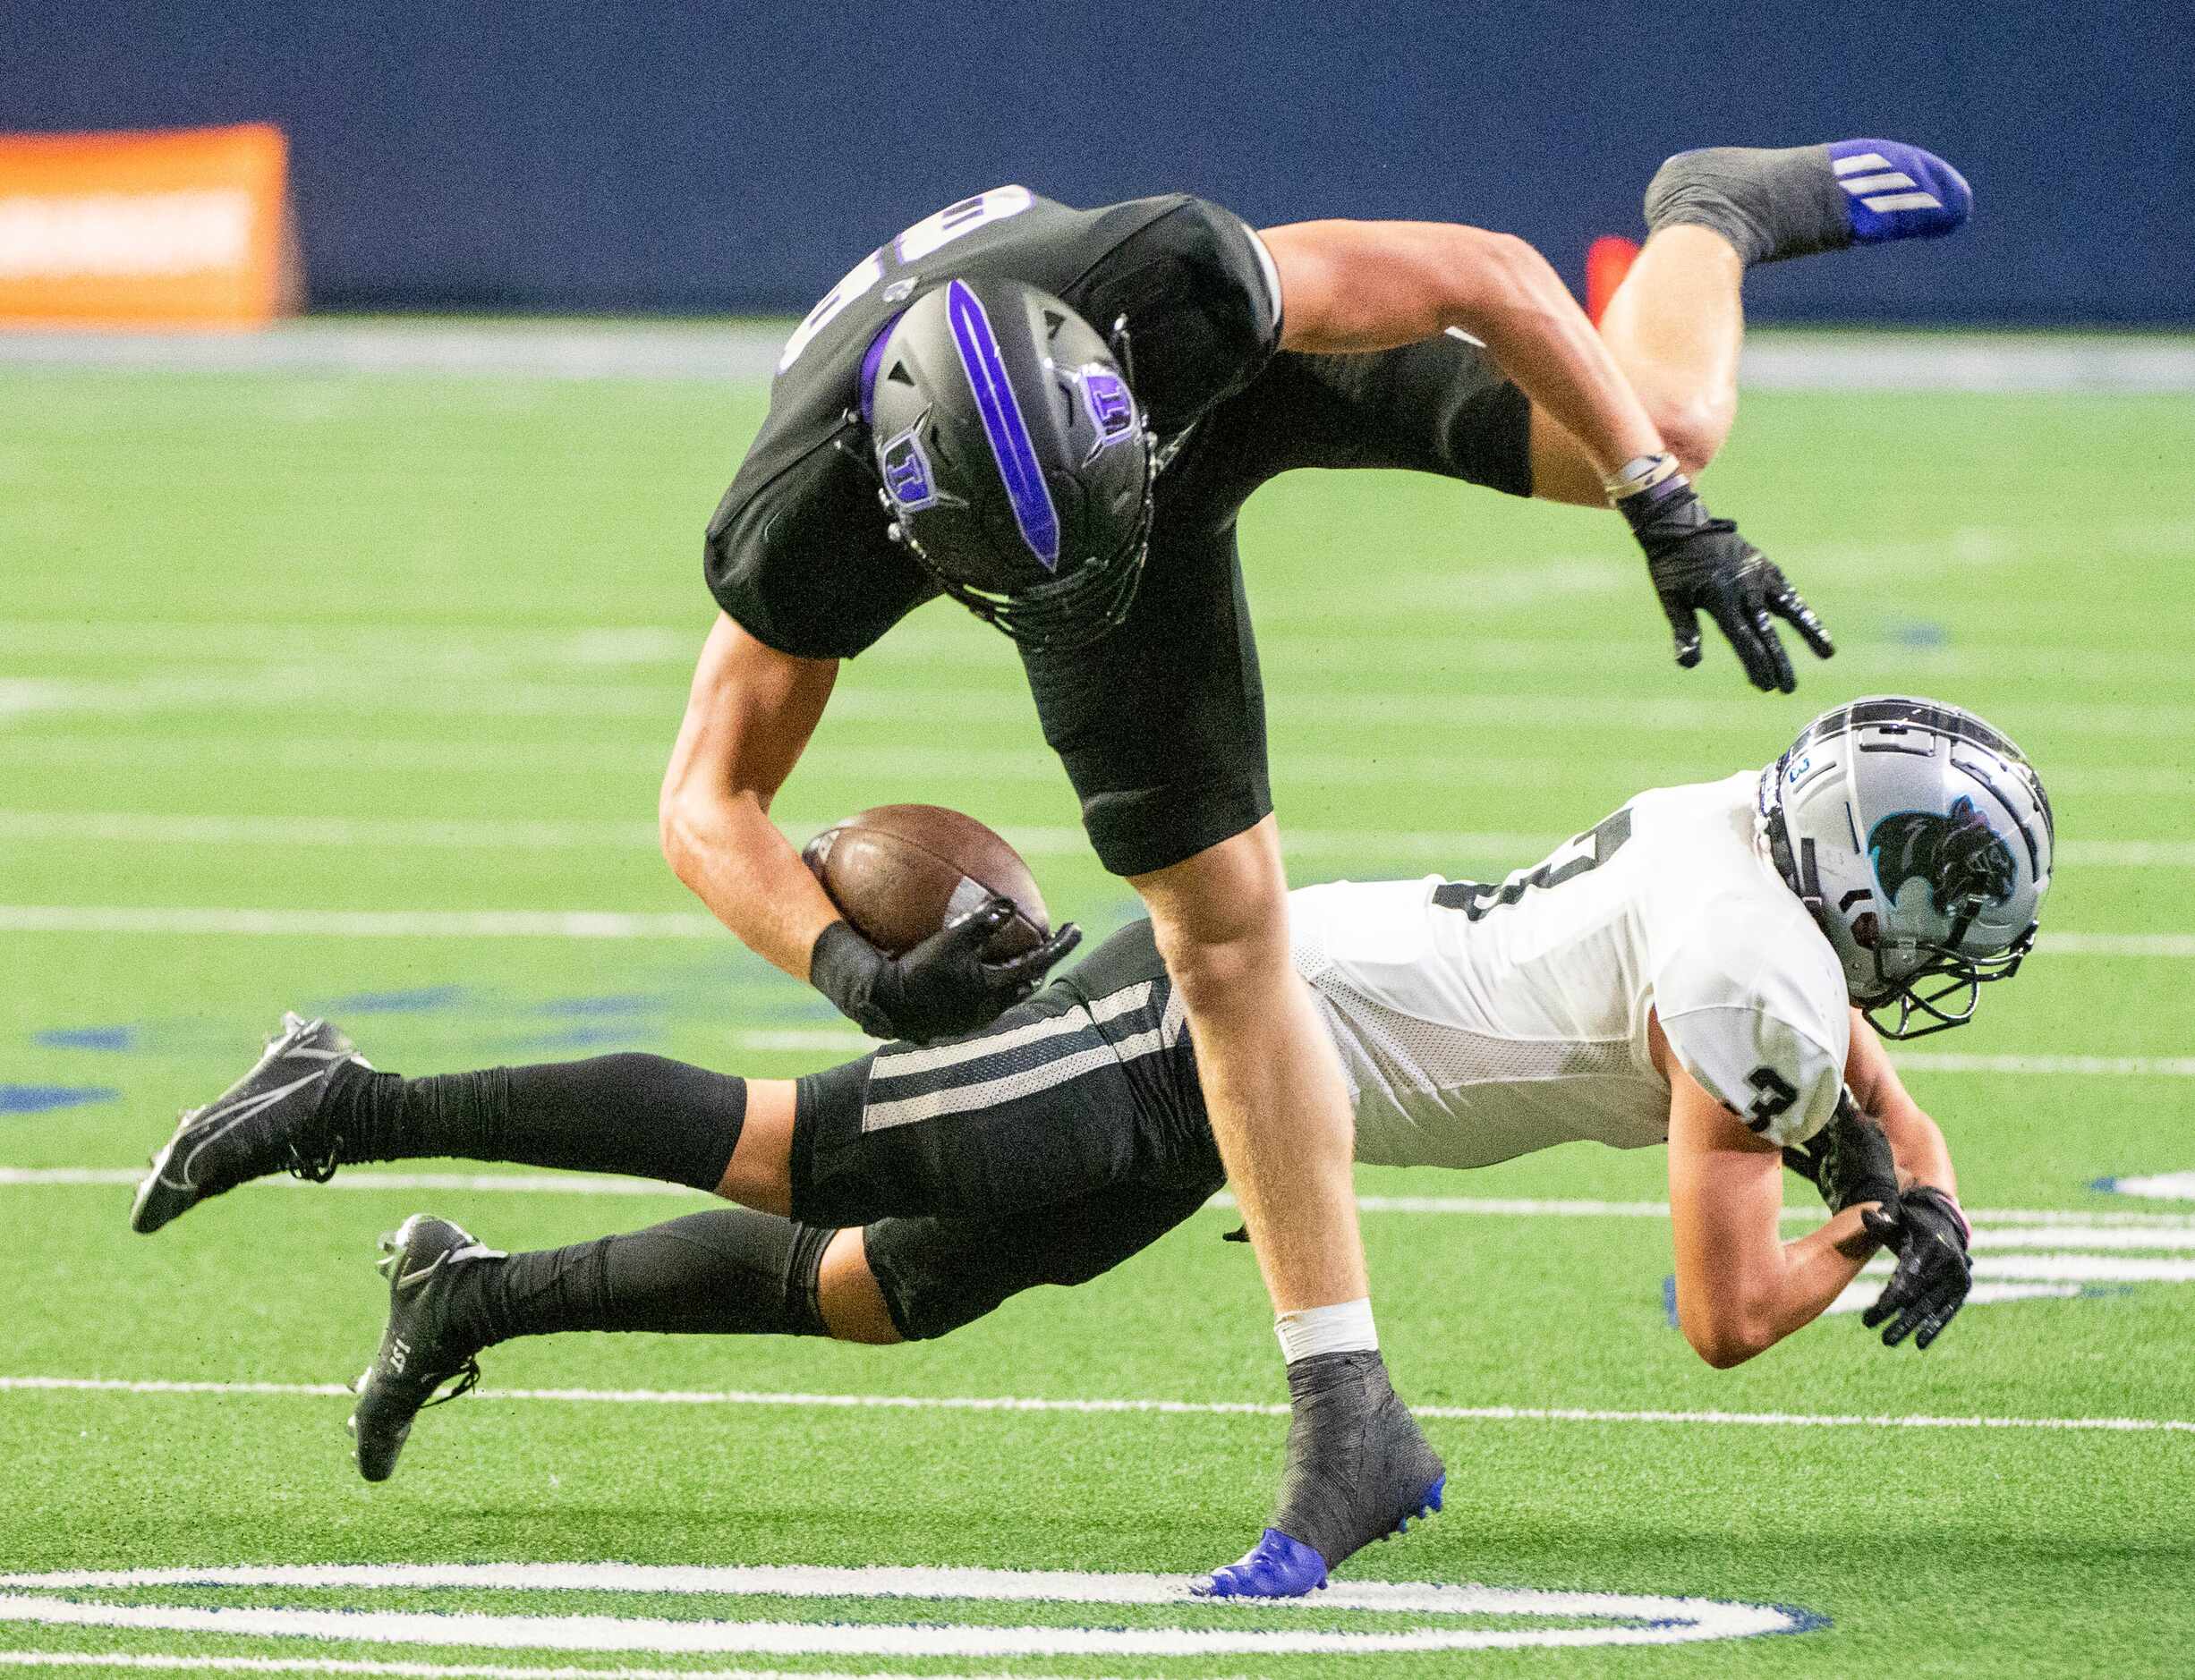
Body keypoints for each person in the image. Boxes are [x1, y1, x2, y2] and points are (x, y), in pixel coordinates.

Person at [647, 140, 1970, 1577]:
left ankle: (1712, 205)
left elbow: (1489, 275)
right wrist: (850, 968)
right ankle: (1345, 1405)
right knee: (1223, 934)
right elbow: (706, 806)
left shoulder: (1179, 284)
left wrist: (1657, 498)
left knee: (1659, 416)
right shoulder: (803, 524)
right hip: (1043, 480)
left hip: (1185, 404)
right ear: (903, 521)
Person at [132, 695, 2049, 1596]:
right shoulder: (1757, 982)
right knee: (807, 1150)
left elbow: (1863, 1081)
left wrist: (1920, 1184)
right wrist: (1873, 1242)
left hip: (1243, 1096)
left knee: (881, 1295)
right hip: (1194, 1028)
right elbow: (1723, 1312)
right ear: (1876, 899)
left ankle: (470, 1298)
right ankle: (344, 1097)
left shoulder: (1746, 846)